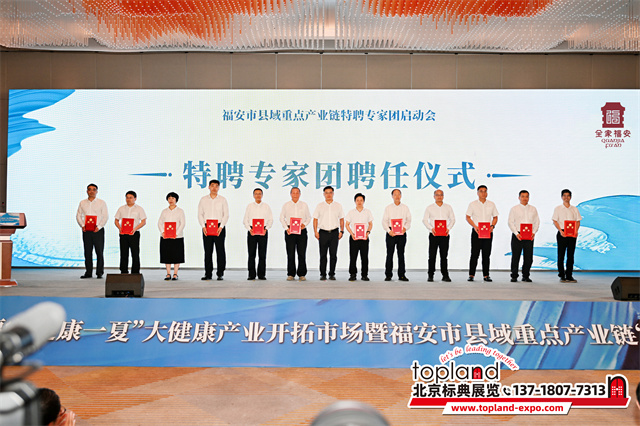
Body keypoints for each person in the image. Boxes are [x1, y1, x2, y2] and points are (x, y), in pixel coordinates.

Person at [466, 185, 499, 282]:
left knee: (486, 254)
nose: (483, 193)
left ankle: (486, 275)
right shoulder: (472, 204)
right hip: (477, 232)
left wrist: (492, 226)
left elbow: (495, 217)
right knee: (474, 254)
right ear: (477, 193)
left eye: (485, 191)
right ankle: (471, 275)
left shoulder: (491, 204)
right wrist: (475, 226)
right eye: (481, 191)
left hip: (488, 232)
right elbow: (468, 217)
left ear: (487, 193)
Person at [198, 179, 229, 281]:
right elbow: (200, 214)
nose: (214, 188)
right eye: (212, 185)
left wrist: (221, 226)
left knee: (220, 250)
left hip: (219, 227)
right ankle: (208, 273)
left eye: (216, 186)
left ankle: (220, 273)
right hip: (207, 227)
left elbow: (226, 214)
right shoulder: (203, 199)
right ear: (209, 187)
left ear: (219, 187)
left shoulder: (222, 200)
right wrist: (203, 226)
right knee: (208, 251)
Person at [75, 183, 108, 279]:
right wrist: (82, 225)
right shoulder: (82, 203)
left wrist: (99, 226)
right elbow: (78, 215)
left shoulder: (102, 202)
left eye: (94, 189)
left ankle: (99, 272)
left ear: (97, 191)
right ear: (87, 191)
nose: (92, 191)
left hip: (98, 230)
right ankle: (88, 272)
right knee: (87, 252)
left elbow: (105, 216)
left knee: (99, 252)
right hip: (86, 230)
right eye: (89, 189)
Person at [422, 189, 455, 282]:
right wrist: (431, 228)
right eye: (437, 195)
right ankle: (430, 275)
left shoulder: (448, 207)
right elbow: (425, 220)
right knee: (432, 256)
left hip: (445, 235)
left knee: (444, 256)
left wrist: (448, 228)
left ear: (443, 196)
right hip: (434, 235)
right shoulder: (429, 208)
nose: (439, 196)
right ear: (434, 196)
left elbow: (453, 219)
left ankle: (445, 275)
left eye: (441, 195)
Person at [313, 186, 345, 281]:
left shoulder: (338, 206)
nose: (328, 195)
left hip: (334, 232)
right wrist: (315, 231)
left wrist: (342, 231)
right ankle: (323, 274)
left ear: (333, 193)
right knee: (323, 255)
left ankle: (332, 274)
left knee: (333, 255)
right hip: (323, 233)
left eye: (330, 192)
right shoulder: (320, 206)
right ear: (324, 194)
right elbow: (315, 219)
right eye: (326, 193)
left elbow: (341, 219)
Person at [280, 187, 311, 281]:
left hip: (301, 231)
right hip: (290, 231)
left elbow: (309, 217)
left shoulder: (304, 205)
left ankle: (302, 274)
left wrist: (304, 224)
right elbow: (281, 218)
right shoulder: (286, 205)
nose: (295, 195)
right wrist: (286, 228)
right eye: (293, 193)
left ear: (300, 194)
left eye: (297, 193)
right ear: (290, 194)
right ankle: (291, 274)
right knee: (290, 253)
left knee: (302, 253)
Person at [508, 190, 540, 283]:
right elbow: (510, 222)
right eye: (522, 196)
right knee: (515, 256)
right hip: (517, 235)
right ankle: (514, 275)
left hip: (529, 235)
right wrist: (516, 233)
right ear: (519, 198)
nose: (525, 198)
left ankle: (526, 276)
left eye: (526, 196)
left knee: (528, 257)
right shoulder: (514, 209)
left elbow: (537, 222)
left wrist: (534, 232)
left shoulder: (533, 209)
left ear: (529, 198)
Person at [552, 189, 582, 283]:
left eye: (568, 195)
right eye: (564, 195)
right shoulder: (558, 208)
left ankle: (569, 275)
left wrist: (576, 231)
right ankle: (562, 275)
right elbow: (555, 220)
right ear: (562, 197)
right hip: (562, 233)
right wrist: (560, 231)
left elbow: (578, 221)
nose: (566, 197)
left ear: (570, 197)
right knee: (561, 255)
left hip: (572, 233)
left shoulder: (574, 209)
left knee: (570, 255)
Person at [243, 188, 273, 280]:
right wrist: (249, 229)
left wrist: (266, 229)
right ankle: (251, 274)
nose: (258, 195)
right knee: (251, 254)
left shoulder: (266, 206)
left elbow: (270, 219)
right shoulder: (249, 206)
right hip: (252, 231)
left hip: (263, 231)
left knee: (262, 254)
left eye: (259, 194)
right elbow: (245, 220)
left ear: (262, 195)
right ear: (253, 195)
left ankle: (261, 274)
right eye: (256, 194)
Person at [382, 189, 412, 282]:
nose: (397, 196)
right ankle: (388, 275)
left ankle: (402, 275)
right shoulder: (388, 208)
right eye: (395, 194)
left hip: (401, 233)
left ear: (401, 196)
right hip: (391, 233)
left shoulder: (405, 208)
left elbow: (409, 220)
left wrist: (405, 228)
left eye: (398, 194)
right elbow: (384, 221)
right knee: (389, 254)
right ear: (392, 196)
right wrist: (389, 231)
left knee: (401, 254)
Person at [114, 190, 146, 274]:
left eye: (131, 198)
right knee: (123, 253)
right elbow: (116, 220)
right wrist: (119, 228)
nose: (128, 199)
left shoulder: (139, 209)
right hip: (123, 234)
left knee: (135, 253)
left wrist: (135, 229)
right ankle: (123, 271)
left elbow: (143, 221)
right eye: (127, 198)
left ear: (135, 198)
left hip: (134, 234)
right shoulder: (121, 208)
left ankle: (135, 271)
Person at [345, 193, 374, 281]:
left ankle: (364, 275)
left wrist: (367, 233)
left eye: (361, 200)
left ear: (364, 201)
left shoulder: (367, 212)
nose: (359, 202)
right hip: (354, 238)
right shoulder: (351, 212)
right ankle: (352, 274)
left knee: (364, 257)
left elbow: (370, 224)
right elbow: (347, 224)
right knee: (353, 257)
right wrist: (352, 234)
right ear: (355, 201)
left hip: (364, 238)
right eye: (357, 200)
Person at [158, 192, 186, 281]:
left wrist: (176, 233)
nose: (171, 200)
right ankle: (168, 273)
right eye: (169, 198)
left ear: (176, 200)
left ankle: (175, 274)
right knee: (167, 255)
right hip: (165, 236)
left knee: (177, 255)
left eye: (173, 198)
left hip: (177, 237)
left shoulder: (180, 211)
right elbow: (160, 223)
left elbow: (182, 223)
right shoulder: (164, 211)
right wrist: (163, 232)